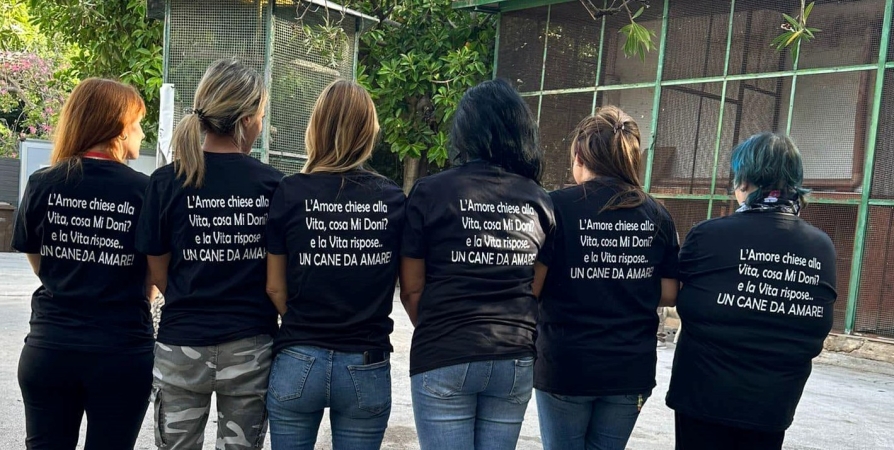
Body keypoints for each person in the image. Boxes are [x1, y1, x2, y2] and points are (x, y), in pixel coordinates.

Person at [399, 78, 555, 450]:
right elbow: (533, 289)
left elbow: (411, 290)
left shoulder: (430, 192)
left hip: (444, 352)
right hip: (513, 355)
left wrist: (444, 329)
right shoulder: (540, 201)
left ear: (465, 132)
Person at [135, 59, 282, 450]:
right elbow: (277, 274)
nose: (261, 124)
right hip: (251, 347)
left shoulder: (166, 181)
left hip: (182, 342)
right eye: (261, 116)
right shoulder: (273, 185)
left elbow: (159, 272)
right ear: (247, 120)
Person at [665, 133, 837, 450]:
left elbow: (673, 292)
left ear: (744, 180)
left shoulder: (708, 235)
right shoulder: (821, 246)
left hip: (703, 398)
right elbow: (816, 322)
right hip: (772, 404)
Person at [12, 78, 154, 449]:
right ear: (119, 128)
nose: (141, 134)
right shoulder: (144, 191)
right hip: (121, 351)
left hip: (50, 347)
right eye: (138, 124)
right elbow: (152, 278)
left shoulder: (43, 183)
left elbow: (40, 264)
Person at [264, 80, 405, 450]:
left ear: (316, 128)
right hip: (366, 361)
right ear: (368, 132)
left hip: (298, 356)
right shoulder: (392, 198)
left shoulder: (290, 191)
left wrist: (304, 321)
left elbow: (275, 287)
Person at [532, 106, 680, 450]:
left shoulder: (556, 206)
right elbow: (670, 292)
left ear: (580, 156)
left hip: (566, 364)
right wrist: (624, 276)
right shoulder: (657, 214)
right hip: (629, 369)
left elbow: (533, 287)